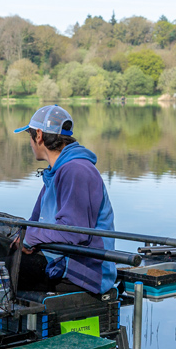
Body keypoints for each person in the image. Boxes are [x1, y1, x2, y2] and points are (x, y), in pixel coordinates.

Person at [12, 105, 116, 295]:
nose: (30, 142)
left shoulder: (76, 171)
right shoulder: (55, 173)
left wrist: (31, 238)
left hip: (84, 274)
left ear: (39, 135)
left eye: (30, 136)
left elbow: (73, 233)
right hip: (58, 261)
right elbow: (33, 223)